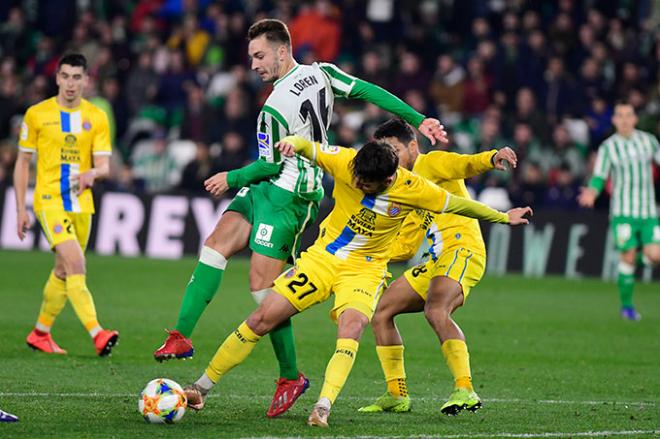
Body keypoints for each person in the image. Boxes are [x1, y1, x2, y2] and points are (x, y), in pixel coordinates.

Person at [153, 18, 447, 417]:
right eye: (250, 57)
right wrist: (418, 118)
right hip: (269, 187)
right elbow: (368, 90)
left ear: (281, 50)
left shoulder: (273, 108)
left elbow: (269, 165)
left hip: (292, 191)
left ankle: (290, 375)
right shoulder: (321, 73)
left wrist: (231, 176)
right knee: (216, 245)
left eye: (259, 56)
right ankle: (181, 336)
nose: (254, 65)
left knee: (263, 287)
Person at [183, 135, 532, 427]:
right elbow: (310, 146)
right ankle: (201, 386)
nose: (358, 184)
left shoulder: (415, 188)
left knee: (352, 327)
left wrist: (503, 217)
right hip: (322, 259)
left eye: (367, 184)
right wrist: (290, 142)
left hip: (364, 271)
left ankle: (323, 407)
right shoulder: (347, 162)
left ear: (389, 179)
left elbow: (459, 204)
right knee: (262, 318)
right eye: (357, 178)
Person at [357, 118, 516, 417]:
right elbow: (405, 245)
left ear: (413, 146)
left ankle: (465, 388)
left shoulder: (432, 164)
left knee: (435, 310)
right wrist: (364, 255)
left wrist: (492, 157)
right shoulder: (403, 187)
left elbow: (464, 165)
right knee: (381, 312)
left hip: (462, 249)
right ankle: (396, 393)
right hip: (434, 259)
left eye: (394, 149)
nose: (390, 157)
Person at [14, 53, 119, 356]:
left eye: (77, 77)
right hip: (49, 200)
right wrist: (21, 208)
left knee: (63, 271)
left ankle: (40, 332)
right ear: (57, 78)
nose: (71, 83)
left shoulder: (96, 117)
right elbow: (22, 163)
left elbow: (104, 167)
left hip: (82, 204)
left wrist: (93, 172)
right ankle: (97, 333)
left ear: (86, 80)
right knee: (76, 263)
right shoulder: (37, 114)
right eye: (65, 76)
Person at [578, 101, 660, 321]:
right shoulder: (608, 147)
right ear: (614, 120)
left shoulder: (649, 142)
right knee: (628, 254)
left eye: (628, 115)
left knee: (655, 255)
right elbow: (599, 176)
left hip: (648, 212)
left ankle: (633, 263)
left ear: (635, 119)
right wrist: (592, 193)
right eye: (620, 116)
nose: (624, 120)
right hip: (623, 212)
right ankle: (627, 307)